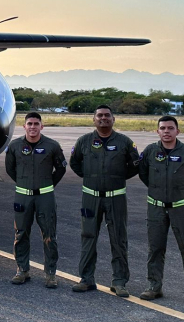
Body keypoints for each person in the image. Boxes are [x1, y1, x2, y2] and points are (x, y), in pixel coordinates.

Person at [70, 105, 140, 297]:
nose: (103, 118)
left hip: (116, 197)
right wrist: (90, 176)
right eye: (99, 115)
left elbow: (135, 165)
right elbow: (74, 162)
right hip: (90, 197)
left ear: (113, 119)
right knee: (88, 237)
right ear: (94, 119)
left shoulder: (125, 142)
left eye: (107, 115)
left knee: (119, 238)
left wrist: (117, 177)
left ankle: (119, 281)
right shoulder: (84, 141)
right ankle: (86, 279)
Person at [138, 116, 184, 306]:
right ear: (157, 131)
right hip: (156, 208)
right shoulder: (150, 151)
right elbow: (143, 173)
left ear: (178, 131)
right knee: (155, 248)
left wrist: (181, 192)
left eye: (170, 128)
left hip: (181, 209)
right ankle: (154, 287)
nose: (166, 131)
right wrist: (157, 190)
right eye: (163, 128)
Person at [5, 112, 67, 288]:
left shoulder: (52, 146)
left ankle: (50, 274)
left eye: (36, 124)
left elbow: (61, 169)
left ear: (42, 126)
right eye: (29, 124)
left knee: (49, 235)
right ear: (24, 126)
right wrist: (24, 183)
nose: (33, 127)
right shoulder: (15, 146)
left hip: (45, 196)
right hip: (22, 196)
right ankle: (22, 270)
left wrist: (47, 185)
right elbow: (10, 169)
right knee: (21, 233)